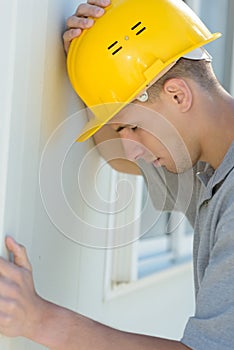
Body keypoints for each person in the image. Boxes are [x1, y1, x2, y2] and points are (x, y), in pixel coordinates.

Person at [0, 1, 233, 349]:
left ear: (177, 94)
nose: (131, 149)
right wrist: (89, 62)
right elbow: (118, 158)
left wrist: (39, 319)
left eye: (133, 127)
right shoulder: (208, 169)